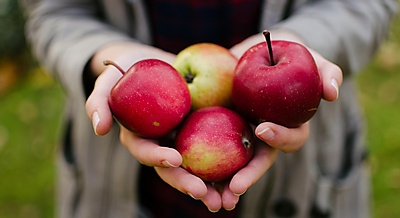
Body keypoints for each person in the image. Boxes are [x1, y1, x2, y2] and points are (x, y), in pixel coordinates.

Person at [20, 0, 397, 217]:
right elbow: (55, 11)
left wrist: (302, 41)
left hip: (303, 179)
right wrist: (109, 58)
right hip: (119, 184)